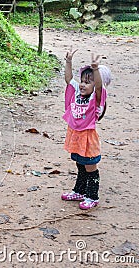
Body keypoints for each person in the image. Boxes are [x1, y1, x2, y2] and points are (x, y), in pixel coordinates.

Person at [60, 48, 111, 210]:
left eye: (88, 82)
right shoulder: (77, 93)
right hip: (75, 135)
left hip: (87, 137)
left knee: (90, 167)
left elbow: (98, 88)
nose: (82, 84)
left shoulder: (95, 100)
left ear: (96, 84)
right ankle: (79, 191)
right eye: (83, 80)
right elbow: (69, 80)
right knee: (80, 164)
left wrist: (95, 69)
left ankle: (92, 196)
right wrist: (68, 62)